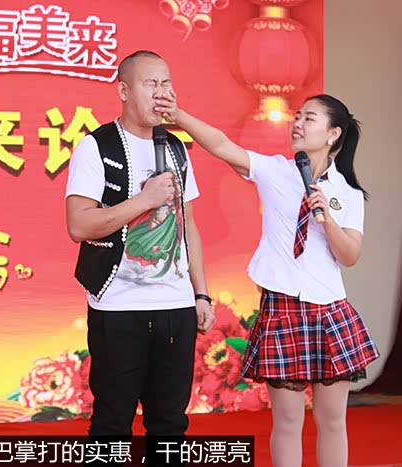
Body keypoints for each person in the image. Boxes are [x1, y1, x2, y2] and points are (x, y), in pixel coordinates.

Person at [156, 93, 379, 467]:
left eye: (309, 118)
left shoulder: (348, 192)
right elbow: (222, 145)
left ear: (333, 133)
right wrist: (178, 115)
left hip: (330, 313)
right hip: (282, 311)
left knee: (332, 421)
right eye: (297, 116)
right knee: (287, 422)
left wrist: (327, 217)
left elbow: (350, 256)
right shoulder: (274, 170)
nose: (298, 123)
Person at [64, 50, 216, 443]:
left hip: (176, 308)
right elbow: (78, 225)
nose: (161, 92)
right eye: (151, 84)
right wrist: (144, 200)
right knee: (112, 425)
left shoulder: (176, 148)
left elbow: (188, 225)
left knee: (170, 425)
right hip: (118, 308)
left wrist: (201, 293)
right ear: (124, 91)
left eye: (166, 83)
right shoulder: (96, 146)